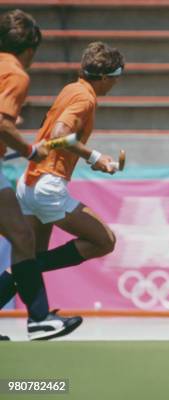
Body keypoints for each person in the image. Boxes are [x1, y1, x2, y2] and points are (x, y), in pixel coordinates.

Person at [0, 41, 124, 338]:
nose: (116, 84)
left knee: (27, 260)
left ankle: (39, 318)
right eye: (116, 77)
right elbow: (60, 135)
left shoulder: (72, 88)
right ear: (106, 77)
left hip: (29, 183)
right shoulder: (86, 98)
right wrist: (96, 159)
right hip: (48, 186)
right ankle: (34, 277)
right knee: (104, 240)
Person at [0, 9, 82, 341]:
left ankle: (39, 317)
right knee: (23, 239)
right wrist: (30, 150)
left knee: (22, 238)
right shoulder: (16, 74)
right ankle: (39, 319)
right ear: (31, 48)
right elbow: (2, 124)